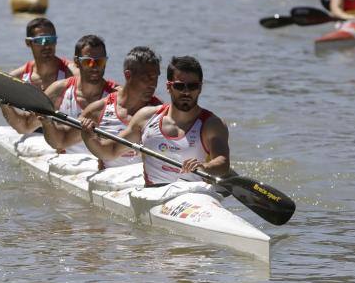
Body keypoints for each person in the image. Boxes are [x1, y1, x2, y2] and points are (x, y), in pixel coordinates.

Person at [81, 56, 230, 187]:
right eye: (179, 86)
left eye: (192, 86)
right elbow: (111, 151)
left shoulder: (212, 124)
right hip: (153, 194)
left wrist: (205, 167)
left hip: (193, 195)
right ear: (168, 87)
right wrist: (88, 137)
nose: (186, 92)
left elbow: (222, 162)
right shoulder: (146, 117)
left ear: (200, 88)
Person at [0, 17, 77, 127]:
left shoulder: (71, 72)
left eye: (51, 40)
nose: (47, 45)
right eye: (40, 40)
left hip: (62, 134)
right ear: (28, 43)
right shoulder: (18, 77)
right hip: (31, 132)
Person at [15, 35, 116, 146]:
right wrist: (5, 106)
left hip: (100, 157)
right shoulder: (59, 89)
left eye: (100, 62)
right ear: (77, 62)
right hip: (64, 154)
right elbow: (26, 126)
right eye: (89, 62)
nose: (95, 67)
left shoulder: (115, 95)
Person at [73, 46, 163, 170]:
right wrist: (47, 124)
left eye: (156, 77)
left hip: (144, 184)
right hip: (110, 179)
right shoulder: (98, 109)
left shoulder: (160, 113)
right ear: (128, 75)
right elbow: (61, 141)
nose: (153, 84)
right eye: (147, 77)